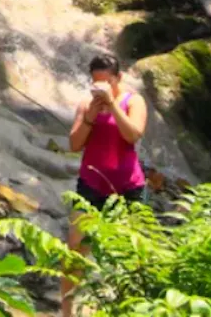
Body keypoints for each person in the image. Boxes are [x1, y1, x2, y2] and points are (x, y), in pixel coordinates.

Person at [62, 54, 148, 316]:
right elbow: (74, 145)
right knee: (75, 250)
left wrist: (113, 106)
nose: (100, 88)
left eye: (106, 82)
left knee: (133, 255)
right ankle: (67, 312)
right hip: (91, 185)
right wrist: (90, 115)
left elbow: (133, 134)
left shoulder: (134, 101)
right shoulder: (87, 104)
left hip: (128, 187)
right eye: (95, 83)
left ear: (118, 78)